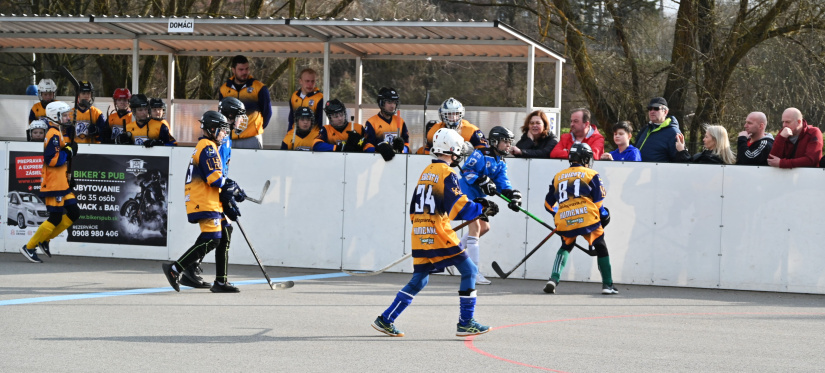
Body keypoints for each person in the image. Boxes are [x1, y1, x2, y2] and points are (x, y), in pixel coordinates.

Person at [371, 128, 499, 338]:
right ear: (453, 150)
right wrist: (482, 208)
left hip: (420, 232)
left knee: (419, 279)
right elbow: (460, 207)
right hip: (439, 233)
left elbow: (421, 209)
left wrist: (428, 225)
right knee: (469, 271)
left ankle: (386, 319)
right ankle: (466, 322)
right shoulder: (447, 173)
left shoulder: (427, 172)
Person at [162, 111, 245, 293]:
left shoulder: (208, 146)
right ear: (213, 129)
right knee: (213, 239)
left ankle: (221, 282)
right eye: (222, 131)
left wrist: (230, 192)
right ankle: (175, 268)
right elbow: (214, 178)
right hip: (204, 200)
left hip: (210, 200)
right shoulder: (207, 147)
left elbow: (218, 180)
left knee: (224, 232)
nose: (225, 134)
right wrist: (232, 186)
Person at [543, 143, 617, 295]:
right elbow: (598, 203)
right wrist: (604, 215)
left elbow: (548, 204)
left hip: (564, 218)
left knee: (566, 246)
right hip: (588, 218)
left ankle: (553, 279)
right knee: (601, 246)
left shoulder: (558, 176)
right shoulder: (591, 174)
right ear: (584, 159)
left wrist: (558, 214)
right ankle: (607, 285)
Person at [458, 126, 522, 285]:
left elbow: (502, 182)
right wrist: (481, 180)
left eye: (510, 142)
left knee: (485, 228)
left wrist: (511, 195)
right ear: (494, 141)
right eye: (505, 142)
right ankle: (473, 272)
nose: (508, 145)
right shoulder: (481, 154)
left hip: (477, 196)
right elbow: (465, 171)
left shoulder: (501, 162)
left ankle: (455, 253)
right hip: (465, 193)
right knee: (475, 229)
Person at [19, 101, 80, 263]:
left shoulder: (57, 131)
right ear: (56, 116)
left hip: (61, 183)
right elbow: (52, 160)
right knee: (55, 217)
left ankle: (45, 239)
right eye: (65, 115)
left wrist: (67, 174)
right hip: (53, 184)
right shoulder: (52, 133)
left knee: (74, 213)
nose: (68, 117)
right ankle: (30, 246)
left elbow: (60, 157)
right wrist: (68, 151)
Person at [218, 55, 272, 149]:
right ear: (233, 70)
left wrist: (256, 129)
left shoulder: (259, 88)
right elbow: (222, 113)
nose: (245, 72)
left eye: (247, 69)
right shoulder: (224, 89)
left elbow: (267, 112)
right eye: (241, 69)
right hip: (231, 137)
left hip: (252, 137)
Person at [422, 98, 488, 155]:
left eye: (456, 114)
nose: (453, 117)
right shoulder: (434, 130)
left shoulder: (472, 130)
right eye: (449, 114)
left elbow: (485, 151)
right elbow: (427, 152)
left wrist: (469, 150)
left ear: (461, 114)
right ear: (442, 115)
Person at [363, 87, 410, 161]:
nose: (392, 106)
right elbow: (366, 147)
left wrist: (403, 148)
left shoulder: (400, 121)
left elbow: (407, 144)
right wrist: (378, 149)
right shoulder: (371, 122)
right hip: (378, 162)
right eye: (389, 102)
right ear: (381, 103)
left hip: (398, 162)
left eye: (394, 102)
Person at [634, 97, 681, 162]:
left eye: (656, 108)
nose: (652, 111)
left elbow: (679, 159)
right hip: (637, 170)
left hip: (659, 171)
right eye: (650, 109)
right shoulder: (645, 129)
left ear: (665, 112)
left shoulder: (673, 132)